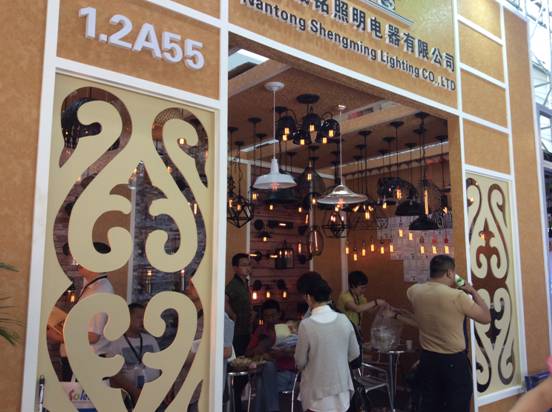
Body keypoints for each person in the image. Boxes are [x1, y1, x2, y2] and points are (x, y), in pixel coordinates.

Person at [407, 254, 491, 412]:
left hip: (428, 359)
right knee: (457, 405)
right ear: (450, 273)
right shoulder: (457, 296)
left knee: (431, 405)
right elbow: (486, 318)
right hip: (453, 362)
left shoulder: (414, 291)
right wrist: (472, 291)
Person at [48, 248, 115, 380]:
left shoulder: (100, 291)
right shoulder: (92, 287)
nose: (77, 262)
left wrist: (59, 337)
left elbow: (93, 336)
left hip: (87, 362)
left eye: (82, 258)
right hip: (80, 360)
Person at [295, 277, 360, 412]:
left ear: (308, 297)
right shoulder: (344, 320)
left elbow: (300, 362)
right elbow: (355, 353)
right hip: (342, 390)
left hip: (316, 393)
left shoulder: (306, 325)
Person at [246, 299, 296, 412]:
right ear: (263, 317)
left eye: (273, 315)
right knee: (263, 376)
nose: (270, 319)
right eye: (267, 316)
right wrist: (259, 349)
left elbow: (298, 352)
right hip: (267, 375)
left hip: (286, 374)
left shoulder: (288, 329)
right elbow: (247, 353)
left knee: (261, 380)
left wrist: (282, 353)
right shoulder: (260, 331)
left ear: (279, 314)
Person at [107, 303, 161, 405]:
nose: (143, 321)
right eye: (139, 317)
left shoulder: (150, 339)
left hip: (153, 395)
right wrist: (134, 391)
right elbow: (114, 373)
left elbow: (160, 365)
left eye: (144, 318)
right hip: (128, 397)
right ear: (128, 319)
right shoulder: (116, 343)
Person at [225, 253, 253, 356]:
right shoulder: (233, 285)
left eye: (249, 265)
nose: (247, 268)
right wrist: (232, 315)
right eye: (244, 265)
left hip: (246, 328)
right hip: (237, 331)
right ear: (235, 268)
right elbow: (223, 300)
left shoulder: (245, 283)